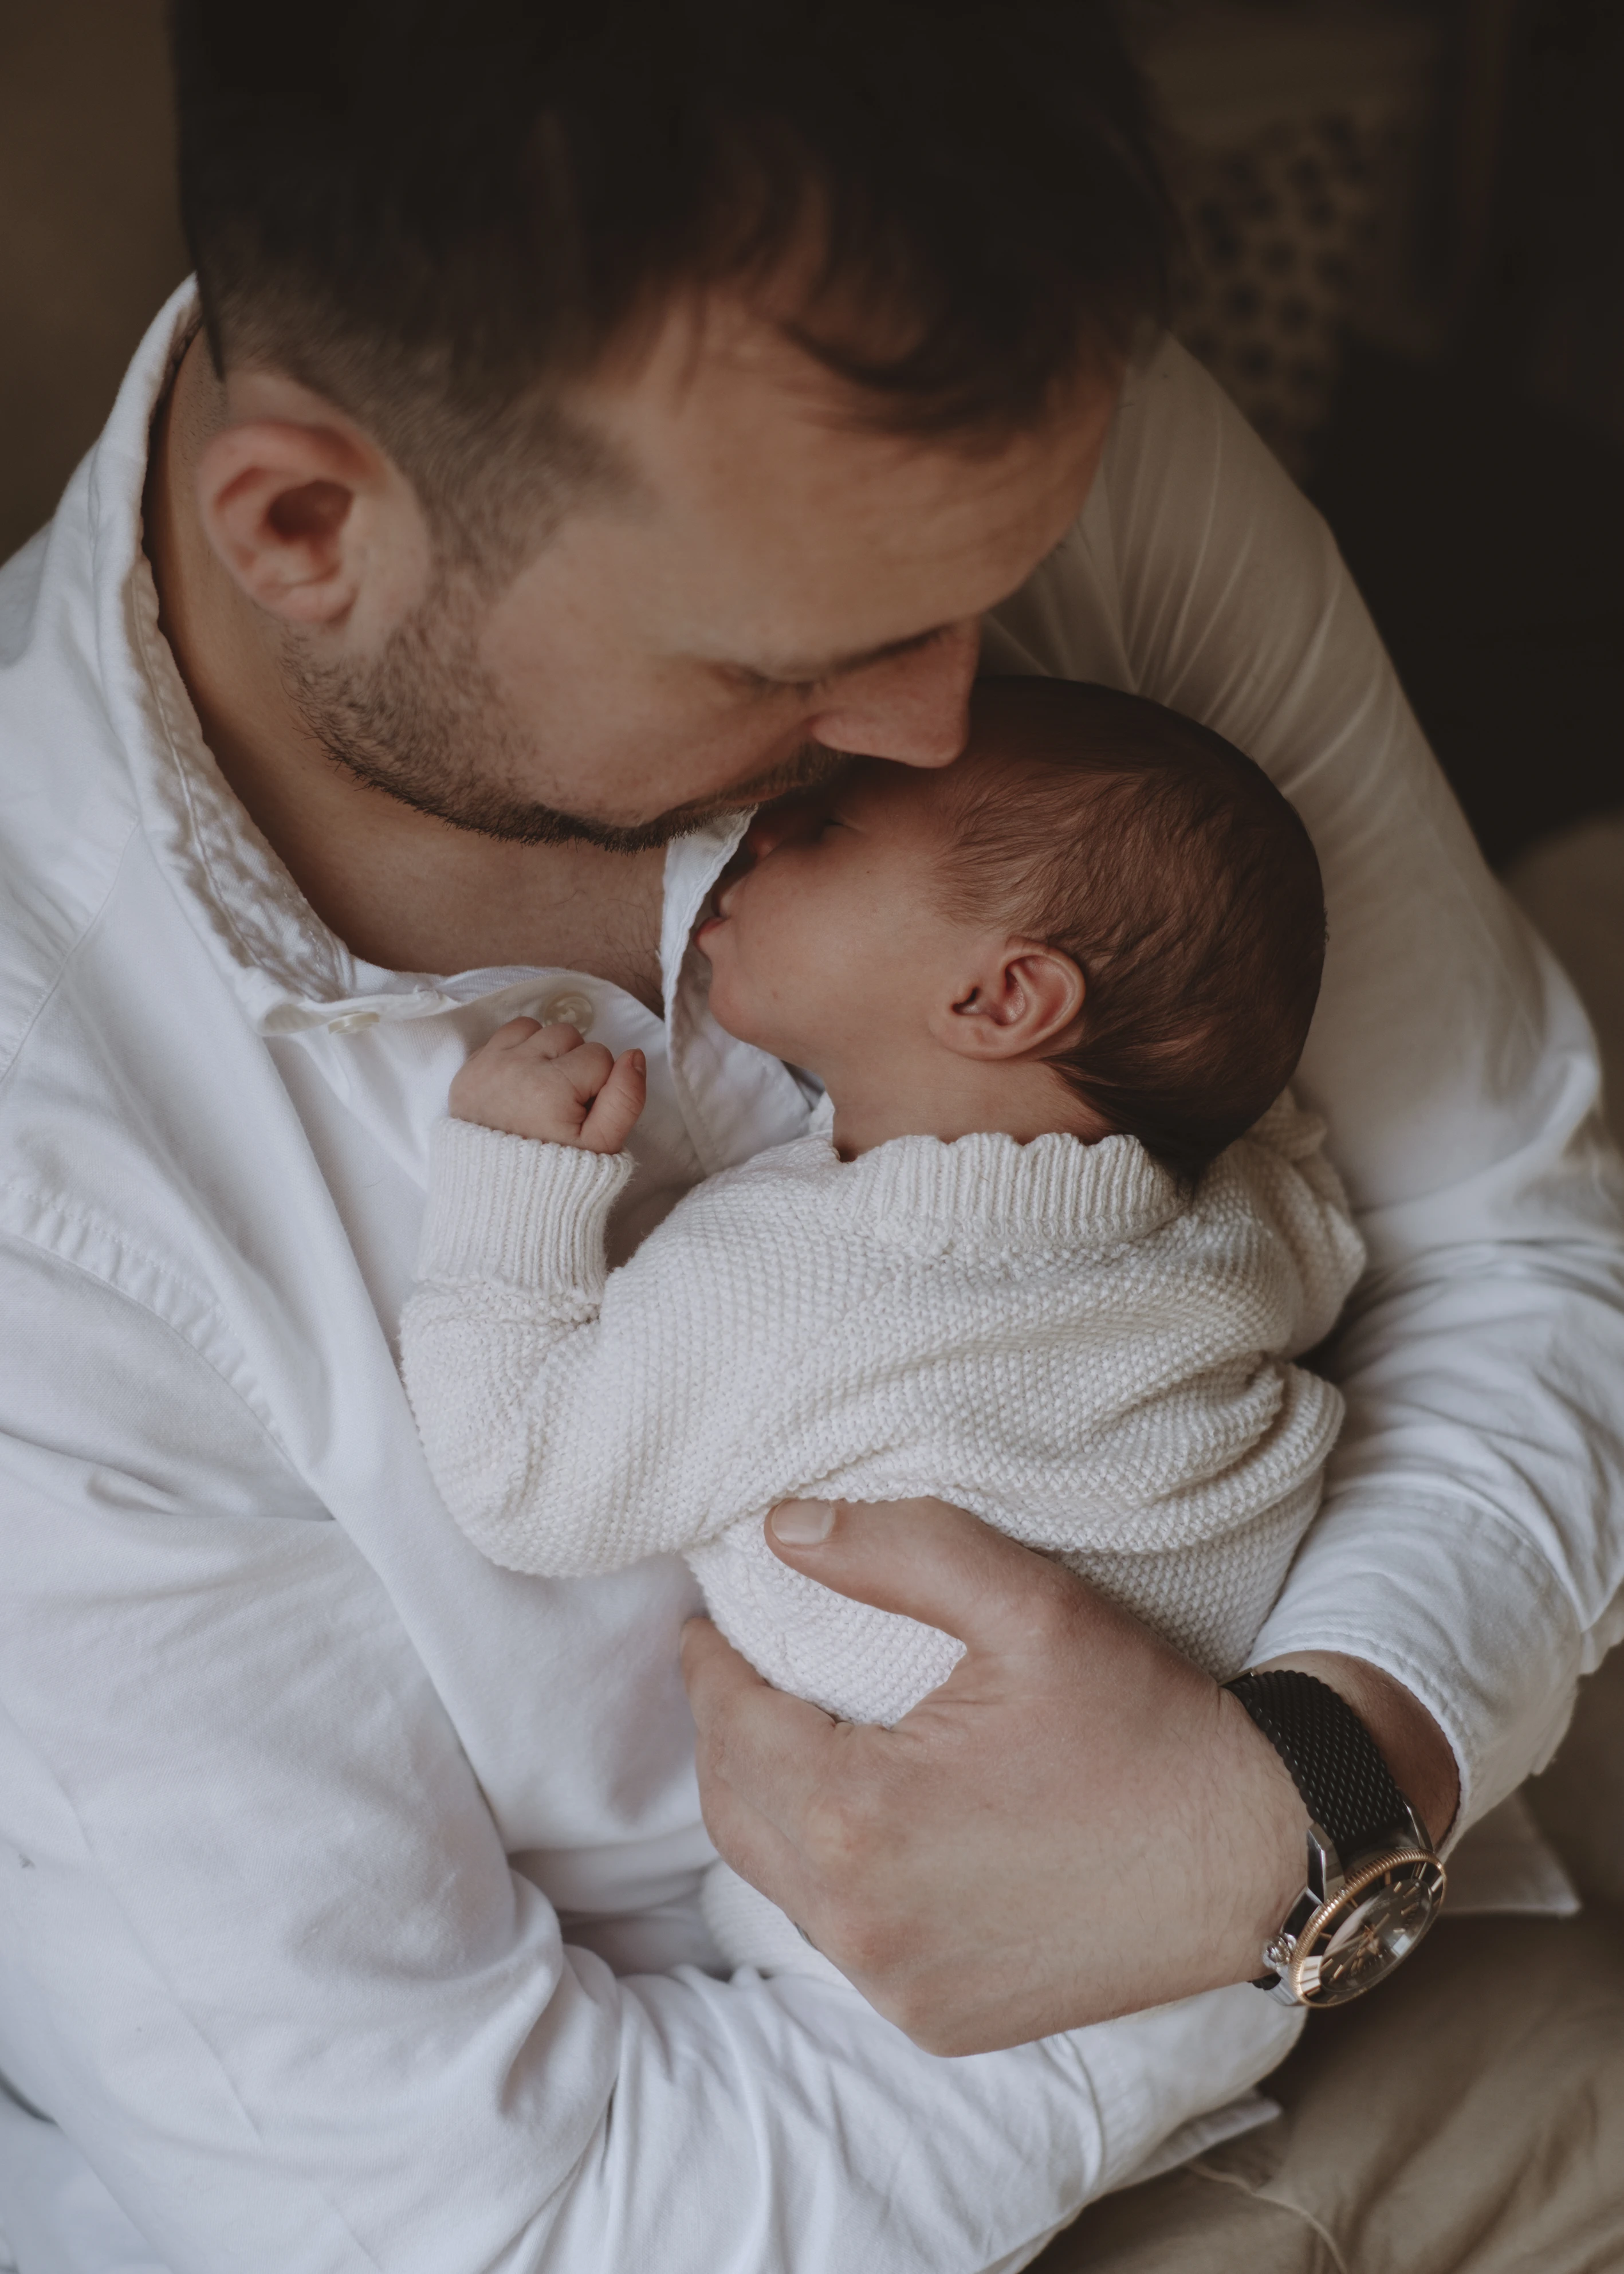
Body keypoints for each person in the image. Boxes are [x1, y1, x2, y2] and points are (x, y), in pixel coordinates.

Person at [1, 2, 1622, 2268]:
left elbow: (1509, 1226)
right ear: (305, 521)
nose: (956, 714)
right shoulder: (46, 1172)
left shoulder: (987, 422)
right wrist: (1167, 1953)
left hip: (1412, 1828)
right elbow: (485, 2217)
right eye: (797, 665)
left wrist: (1316, 1788)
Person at [399, 681, 1367, 1982]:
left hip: (908, 1921)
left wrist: (508, 1182)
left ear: (1001, 1000)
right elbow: (1318, 1206)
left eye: (832, 829)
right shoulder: (1240, 1216)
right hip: (1239, 1850)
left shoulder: (792, 1283)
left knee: (765, 1924)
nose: (767, 821)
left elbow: (525, 1483)